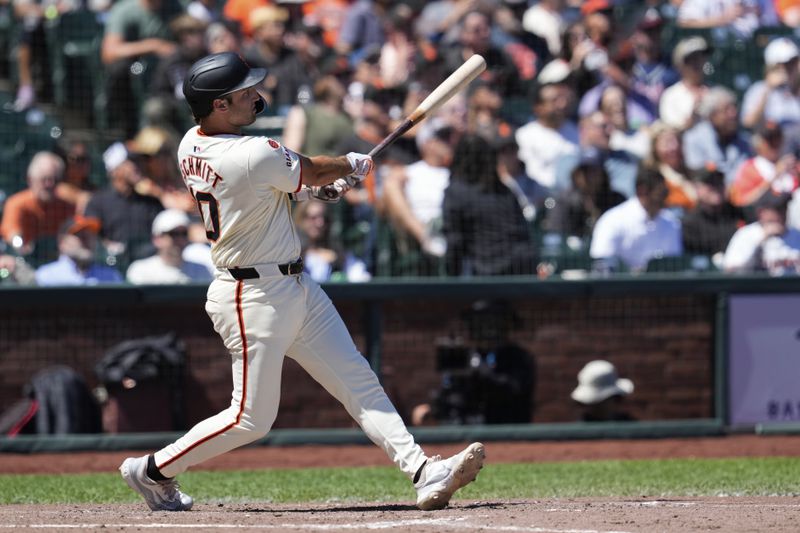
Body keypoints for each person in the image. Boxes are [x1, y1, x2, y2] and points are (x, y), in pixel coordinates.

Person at [119, 52, 485, 513]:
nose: (255, 95)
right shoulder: (254, 152)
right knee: (250, 419)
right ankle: (151, 471)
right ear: (218, 106)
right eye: (243, 93)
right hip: (251, 296)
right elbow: (307, 169)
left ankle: (422, 471)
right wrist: (349, 164)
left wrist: (316, 187)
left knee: (358, 379)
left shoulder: (191, 143)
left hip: (293, 285)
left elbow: (274, 190)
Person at [426, 299, 535, 425]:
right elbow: (450, 392)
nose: (485, 328)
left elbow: (515, 391)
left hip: (505, 425)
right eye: (478, 322)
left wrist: (482, 374)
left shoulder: (518, 357)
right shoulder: (464, 356)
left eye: (492, 322)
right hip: (468, 429)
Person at [441, 134, 537, 277]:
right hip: (521, 269)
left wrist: (451, 278)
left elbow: (455, 241)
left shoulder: (456, 193)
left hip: (486, 275)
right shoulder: (504, 191)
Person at [84, 142, 164, 268]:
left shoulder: (152, 203)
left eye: (140, 162)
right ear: (114, 169)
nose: (139, 166)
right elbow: (89, 236)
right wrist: (108, 248)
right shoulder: (97, 202)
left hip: (146, 269)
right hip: (109, 270)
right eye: (132, 162)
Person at [589, 166, 682, 273]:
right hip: (620, 288)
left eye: (665, 193)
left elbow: (673, 266)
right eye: (660, 194)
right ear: (642, 191)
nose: (664, 199)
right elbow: (601, 264)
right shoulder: (612, 220)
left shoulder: (670, 222)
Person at [0, 151, 75, 262]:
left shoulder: (67, 206)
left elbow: (73, 231)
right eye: (44, 179)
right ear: (30, 179)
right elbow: (11, 231)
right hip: (25, 259)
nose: (49, 184)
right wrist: (19, 244)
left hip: (57, 261)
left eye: (55, 180)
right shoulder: (17, 203)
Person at [683, 87, 752, 186]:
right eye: (726, 110)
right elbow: (699, 176)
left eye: (734, 108)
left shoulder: (745, 142)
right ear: (712, 115)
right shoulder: (694, 139)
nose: (733, 114)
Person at [126, 209, 212, 284]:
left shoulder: (202, 270)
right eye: (174, 234)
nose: (180, 239)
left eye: (184, 234)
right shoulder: (140, 270)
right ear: (157, 239)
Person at [723, 192, 800, 275]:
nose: (782, 213)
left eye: (784, 207)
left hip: (791, 287)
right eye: (777, 210)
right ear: (761, 213)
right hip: (756, 287)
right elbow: (730, 269)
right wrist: (761, 240)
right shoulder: (746, 235)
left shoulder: (796, 235)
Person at [35, 215, 123, 286]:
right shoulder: (46, 277)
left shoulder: (111, 277)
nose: (87, 240)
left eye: (90, 235)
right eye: (80, 235)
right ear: (62, 243)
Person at [682, 165, 745, 261]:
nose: (716, 187)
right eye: (710, 183)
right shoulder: (689, 224)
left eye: (719, 182)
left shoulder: (742, 214)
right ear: (696, 188)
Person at [741, 37, 800, 130]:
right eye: (786, 64)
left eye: (793, 62)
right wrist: (768, 89)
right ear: (773, 67)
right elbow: (749, 123)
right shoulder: (758, 89)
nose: (790, 68)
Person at [659, 36, 712, 131]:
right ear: (680, 64)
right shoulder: (670, 96)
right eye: (691, 59)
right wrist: (693, 118)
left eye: (701, 58)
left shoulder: (715, 92)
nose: (697, 63)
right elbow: (671, 132)